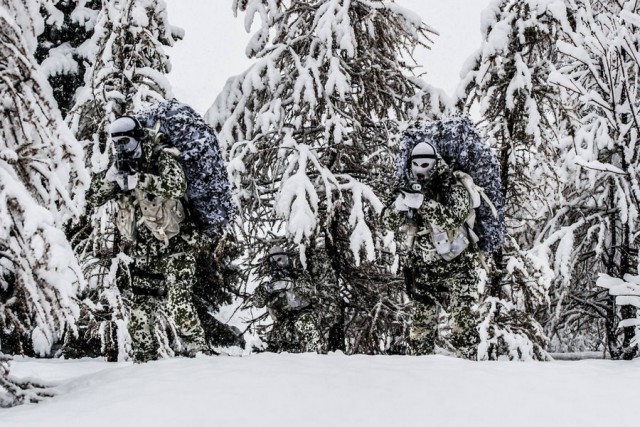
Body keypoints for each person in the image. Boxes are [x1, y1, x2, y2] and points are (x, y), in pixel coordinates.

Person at [87, 116, 207, 362]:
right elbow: (93, 198)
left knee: (178, 301)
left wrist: (140, 180)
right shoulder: (119, 167)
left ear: (138, 138)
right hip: (144, 253)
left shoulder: (160, 158)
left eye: (126, 142)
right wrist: (110, 178)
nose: (122, 148)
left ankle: (199, 354)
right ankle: (145, 361)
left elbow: (177, 186)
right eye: (117, 142)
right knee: (140, 309)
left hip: (176, 246)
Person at [382, 142, 480, 358]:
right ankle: (422, 379)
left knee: (462, 327)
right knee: (419, 332)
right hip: (423, 269)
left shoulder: (452, 186)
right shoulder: (407, 186)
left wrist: (423, 204)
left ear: (435, 163)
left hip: (458, 267)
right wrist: (398, 207)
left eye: (425, 164)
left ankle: (472, 376)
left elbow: (453, 217)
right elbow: (386, 221)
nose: (420, 169)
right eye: (416, 164)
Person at [253, 245, 337, 353]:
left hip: (303, 314)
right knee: (274, 344)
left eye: (280, 260)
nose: (278, 264)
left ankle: (315, 357)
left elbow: (309, 290)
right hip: (283, 321)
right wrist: (266, 290)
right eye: (273, 262)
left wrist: (290, 285)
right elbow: (257, 302)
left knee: (305, 323)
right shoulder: (270, 284)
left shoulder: (298, 275)